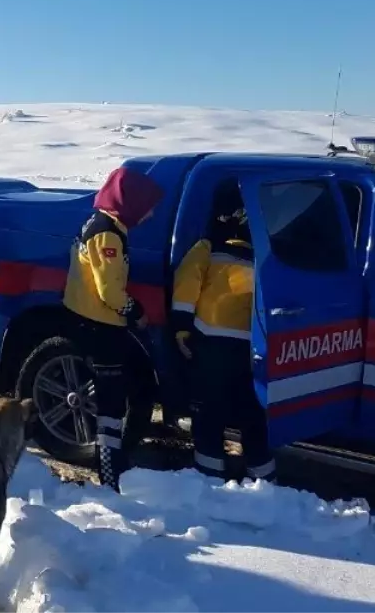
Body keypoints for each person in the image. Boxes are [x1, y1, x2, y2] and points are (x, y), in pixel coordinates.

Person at [62, 166, 165, 493]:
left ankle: (119, 457)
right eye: (148, 206)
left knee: (128, 390)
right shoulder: (108, 234)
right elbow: (108, 291)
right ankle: (109, 476)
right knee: (110, 405)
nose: (150, 214)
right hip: (100, 326)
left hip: (90, 320)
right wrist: (135, 311)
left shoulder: (100, 222)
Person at [171, 181, 274, 481]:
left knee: (209, 415)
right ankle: (264, 481)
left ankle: (209, 478)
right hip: (253, 346)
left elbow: (185, 289)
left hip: (211, 344)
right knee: (253, 416)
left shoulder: (206, 247)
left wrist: (181, 329)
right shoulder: (265, 255)